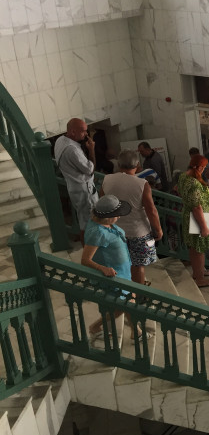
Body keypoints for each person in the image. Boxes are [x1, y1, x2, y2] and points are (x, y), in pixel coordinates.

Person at [83, 195, 145, 341]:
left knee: (127, 301)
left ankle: (135, 332)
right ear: (107, 217)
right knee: (126, 303)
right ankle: (135, 332)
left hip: (123, 272)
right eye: (116, 214)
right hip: (114, 275)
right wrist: (103, 268)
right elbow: (85, 260)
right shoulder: (97, 232)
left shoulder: (107, 225)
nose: (119, 216)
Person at [100, 150, 163, 286]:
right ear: (137, 164)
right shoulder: (142, 184)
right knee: (138, 265)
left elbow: (102, 204)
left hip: (114, 230)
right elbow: (151, 210)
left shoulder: (107, 179)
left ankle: (125, 289)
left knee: (119, 262)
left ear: (118, 164)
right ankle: (139, 292)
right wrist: (158, 229)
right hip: (138, 231)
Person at [54, 118, 98, 243]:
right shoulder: (72, 150)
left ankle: (88, 248)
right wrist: (91, 150)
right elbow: (90, 170)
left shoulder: (60, 140)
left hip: (74, 187)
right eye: (83, 131)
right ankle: (88, 250)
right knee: (89, 224)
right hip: (84, 191)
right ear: (73, 132)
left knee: (83, 220)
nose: (86, 134)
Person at [179, 155, 209, 288]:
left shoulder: (183, 176)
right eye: (204, 167)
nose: (204, 169)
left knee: (194, 247)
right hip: (197, 219)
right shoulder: (194, 183)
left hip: (188, 215)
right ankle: (200, 279)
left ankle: (198, 272)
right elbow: (196, 207)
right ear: (199, 167)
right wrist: (204, 226)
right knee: (199, 248)